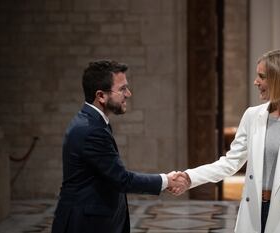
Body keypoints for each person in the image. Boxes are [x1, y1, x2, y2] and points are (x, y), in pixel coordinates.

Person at [170, 49, 280, 233]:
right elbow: (230, 163)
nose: (256, 82)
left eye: (261, 76)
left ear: (279, 79)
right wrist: (190, 177)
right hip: (254, 213)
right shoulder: (252, 116)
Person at [51, 60, 186, 233]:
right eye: (122, 89)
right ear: (101, 95)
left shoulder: (93, 122)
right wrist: (166, 180)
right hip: (86, 224)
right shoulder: (91, 130)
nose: (128, 94)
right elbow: (122, 179)